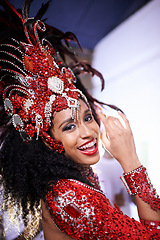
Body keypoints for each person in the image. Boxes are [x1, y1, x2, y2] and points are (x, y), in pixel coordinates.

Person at [0, 0, 160, 239]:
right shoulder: (70, 197)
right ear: (47, 139)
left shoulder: (70, 180)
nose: (88, 131)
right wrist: (130, 160)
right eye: (69, 126)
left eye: (87, 117)